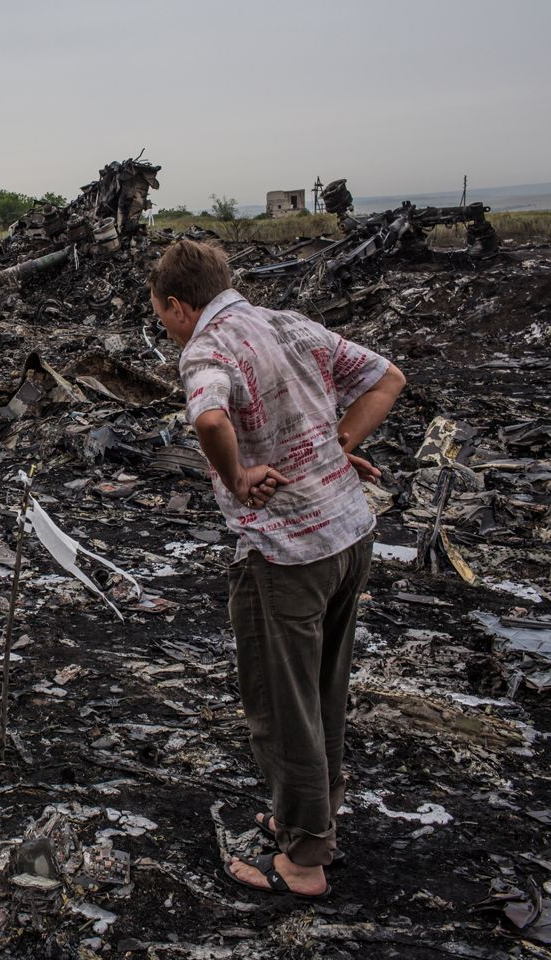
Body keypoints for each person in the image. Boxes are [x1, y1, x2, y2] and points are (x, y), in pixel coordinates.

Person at [147, 239, 405, 898]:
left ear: (178, 305)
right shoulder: (290, 324)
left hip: (288, 552)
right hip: (350, 536)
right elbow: (387, 378)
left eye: (159, 311)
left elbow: (208, 414)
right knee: (323, 692)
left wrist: (235, 476)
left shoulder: (206, 350)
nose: (162, 324)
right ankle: (309, 820)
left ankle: (302, 863)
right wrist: (335, 448)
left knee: (283, 705)